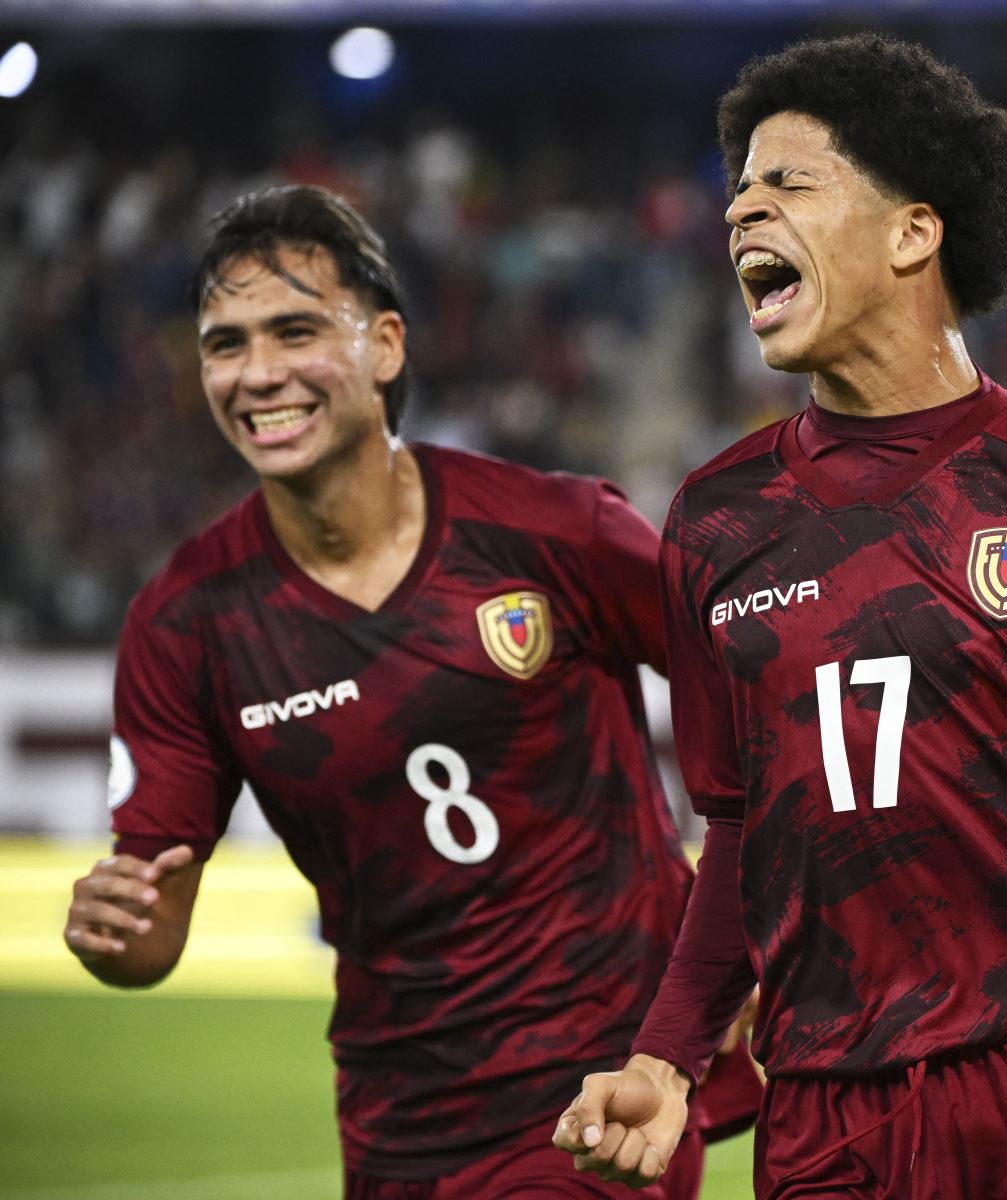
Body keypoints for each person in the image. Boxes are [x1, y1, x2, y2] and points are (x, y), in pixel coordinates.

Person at [554, 33, 1007, 1198]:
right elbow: (738, 839)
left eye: (788, 182)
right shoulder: (714, 524)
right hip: (835, 1127)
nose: (742, 211)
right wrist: (667, 1055)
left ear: (912, 231)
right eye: (736, 190)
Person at [60, 184, 753, 1198]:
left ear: (384, 346)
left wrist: (757, 927)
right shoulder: (186, 624)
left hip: (602, 1083)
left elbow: (757, 708)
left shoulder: (555, 533)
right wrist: (115, 929)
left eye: (294, 331)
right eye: (225, 343)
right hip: (398, 1118)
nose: (257, 374)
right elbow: (152, 930)